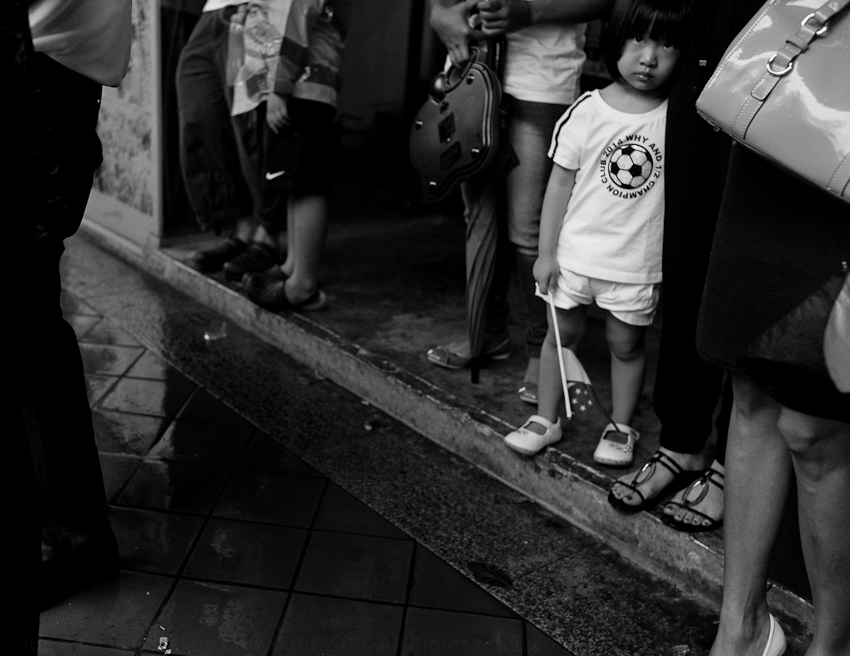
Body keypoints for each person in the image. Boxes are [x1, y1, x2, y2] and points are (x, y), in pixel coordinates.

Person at [503, 0, 691, 467]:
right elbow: (557, 187)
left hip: (634, 262)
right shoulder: (586, 110)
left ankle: (621, 425)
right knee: (558, 336)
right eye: (638, 39)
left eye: (666, 45)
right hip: (576, 256)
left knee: (626, 345)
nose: (649, 57)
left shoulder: (678, 118)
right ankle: (547, 419)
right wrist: (546, 253)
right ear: (614, 40)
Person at [697, 112, 850, 656]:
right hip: (788, 109)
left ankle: (834, 645)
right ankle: (742, 629)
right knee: (751, 381)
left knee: (816, 421)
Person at [3, 0, 131, 647]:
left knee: (28, 326)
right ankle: (71, 528)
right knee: (28, 324)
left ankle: (77, 536)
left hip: (44, 80)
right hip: (46, 78)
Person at [424, 0, 611, 403]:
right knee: (479, 218)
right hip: (468, 69)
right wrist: (438, 12)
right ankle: (486, 332)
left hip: (541, 82)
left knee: (528, 230)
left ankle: (541, 351)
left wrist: (527, 12)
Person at [607, 0, 738, 530]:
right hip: (698, 63)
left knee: (743, 281)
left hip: (776, 62)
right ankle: (682, 444)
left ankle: (734, 460)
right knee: (684, 270)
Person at [232, 0, 350, 311]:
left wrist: (279, 88)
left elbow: (298, 19)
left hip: (304, 83)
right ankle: (292, 266)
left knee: (307, 183)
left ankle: (303, 286)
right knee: (293, 180)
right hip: (296, 82)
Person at [177, 0, 286, 281]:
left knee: (251, 125)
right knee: (202, 116)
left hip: (261, 10)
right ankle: (243, 227)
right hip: (215, 12)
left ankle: (268, 233)